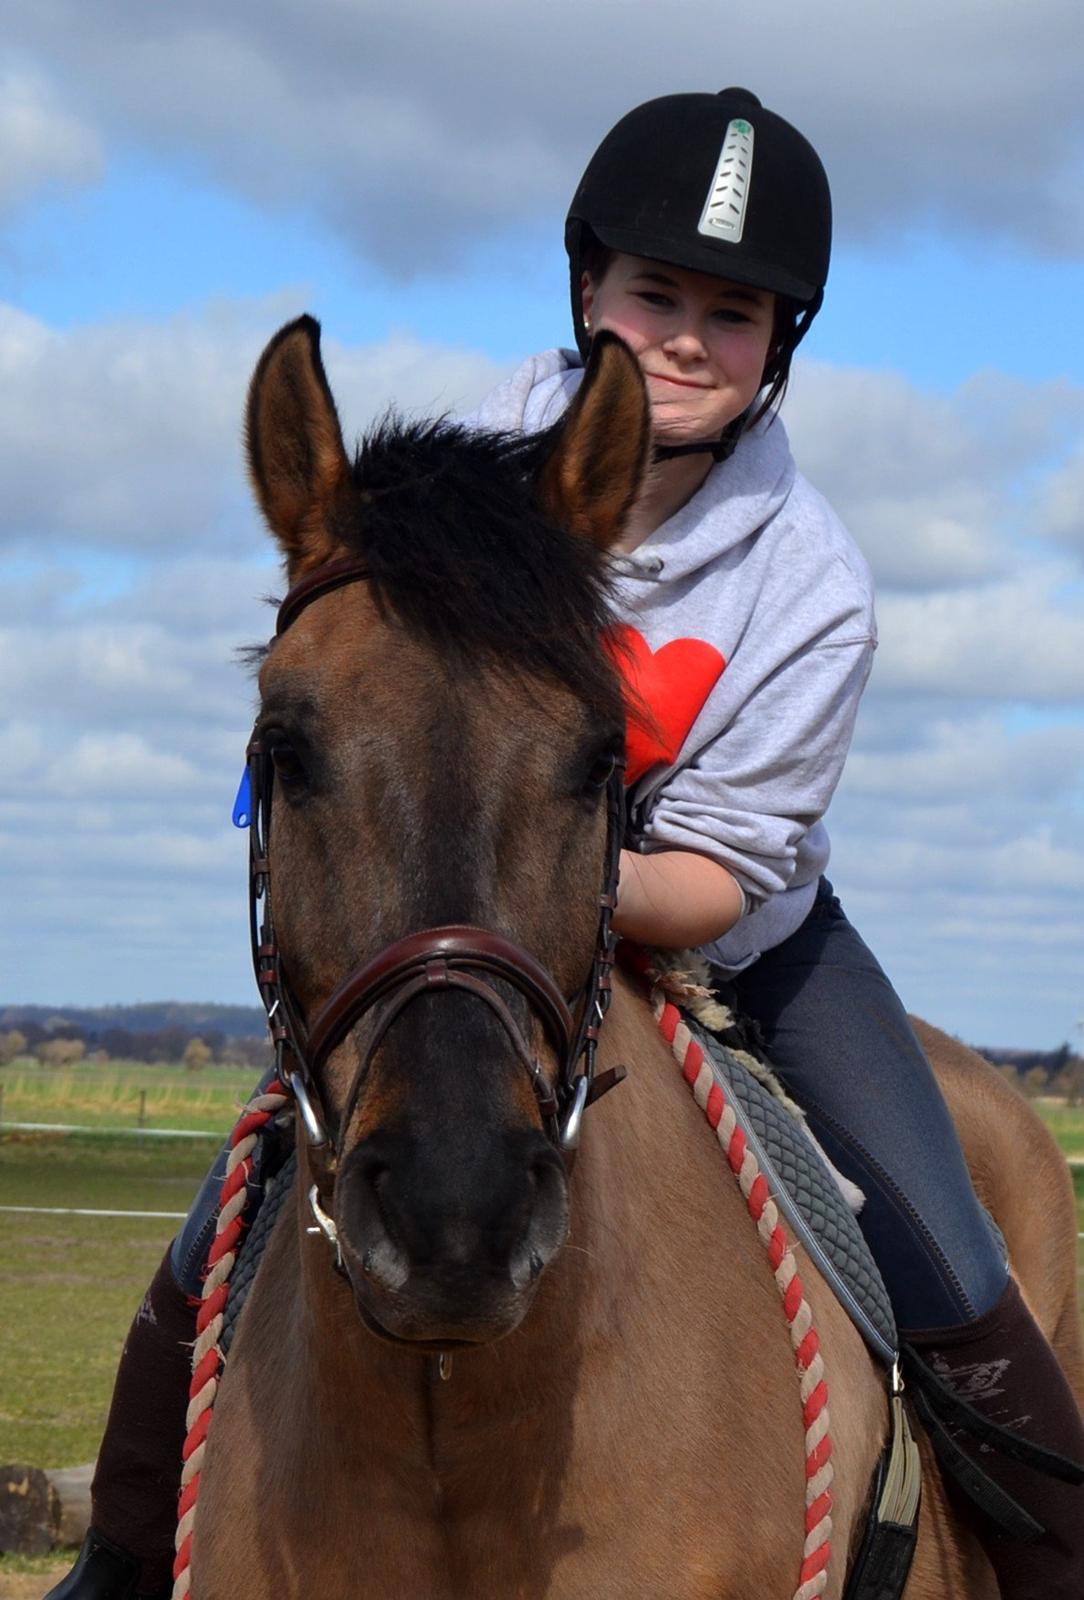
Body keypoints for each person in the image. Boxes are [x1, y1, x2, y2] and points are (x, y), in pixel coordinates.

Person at [49, 88, 1084, 1600]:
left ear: (781, 343)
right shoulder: (469, 476)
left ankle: (1053, 1557)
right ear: (585, 287)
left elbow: (723, 877)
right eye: (653, 293)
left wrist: (552, 875)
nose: (681, 337)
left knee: (953, 1247)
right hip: (463, 949)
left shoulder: (815, 582)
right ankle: (127, 1559)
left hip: (747, 942)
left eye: (732, 314)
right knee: (230, 1214)